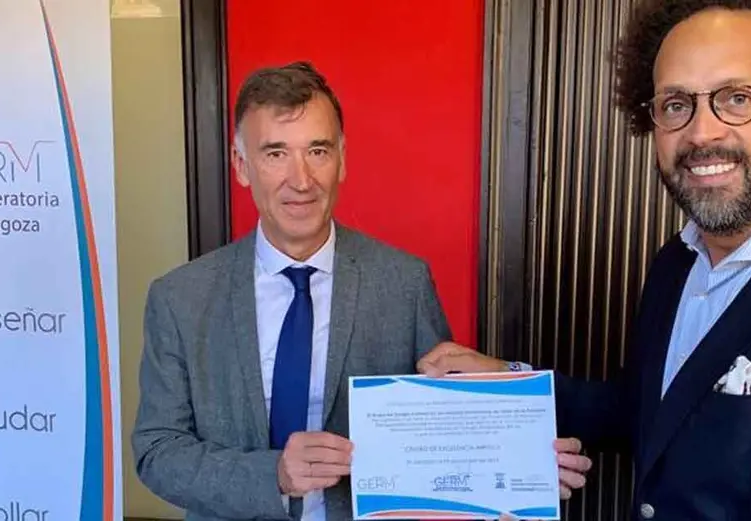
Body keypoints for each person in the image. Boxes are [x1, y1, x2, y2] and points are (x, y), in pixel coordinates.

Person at [419, 1, 751, 520]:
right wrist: (511, 383)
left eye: (737, 98)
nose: (702, 133)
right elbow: (646, 410)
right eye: (677, 104)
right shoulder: (678, 263)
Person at [131, 61, 590, 521]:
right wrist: (273, 475)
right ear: (241, 165)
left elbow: (445, 431)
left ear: (342, 158)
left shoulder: (404, 283)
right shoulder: (180, 299)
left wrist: (520, 464)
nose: (301, 180)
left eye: (318, 150)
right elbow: (157, 451)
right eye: (275, 153)